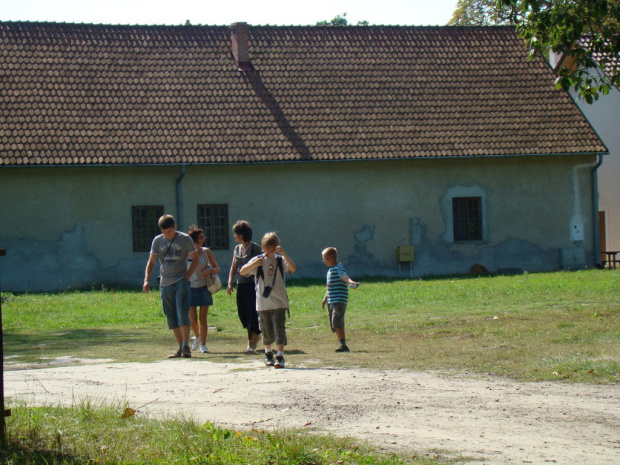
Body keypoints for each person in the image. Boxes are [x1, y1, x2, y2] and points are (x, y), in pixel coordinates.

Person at [143, 214, 199, 359]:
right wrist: (146, 279)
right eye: (164, 232)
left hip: (180, 280)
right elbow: (152, 261)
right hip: (165, 282)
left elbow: (196, 259)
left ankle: (186, 346)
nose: (167, 235)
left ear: (175, 227)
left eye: (169, 231)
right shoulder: (157, 240)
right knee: (171, 315)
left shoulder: (185, 239)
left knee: (182, 312)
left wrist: (187, 277)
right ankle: (180, 347)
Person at [240, 232, 296, 368]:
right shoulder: (258, 260)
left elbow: (293, 269)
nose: (269, 251)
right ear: (263, 247)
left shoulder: (279, 260)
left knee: (279, 329)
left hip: (279, 301)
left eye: (272, 248)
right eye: (267, 248)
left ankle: (280, 356)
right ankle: (268, 353)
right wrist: (253, 264)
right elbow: (242, 272)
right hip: (263, 302)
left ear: (276, 246)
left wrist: (284, 254)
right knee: (266, 330)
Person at [226, 220, 263, 353]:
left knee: (251, 313)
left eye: (235, 234)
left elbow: (261, 266)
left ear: (241, 234)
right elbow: (234, 266)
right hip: (241, 284)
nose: (234, 236)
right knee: (242, 312)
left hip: (252, 285)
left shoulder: (255, 248)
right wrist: (230, 282)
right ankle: (255, 335)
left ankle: (251, 342)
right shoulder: (237, 249)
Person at [187, 225, 220, 354]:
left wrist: (209, 271)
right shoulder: (187, 252)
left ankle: (204, 345)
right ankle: (197, 336)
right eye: (200, 237)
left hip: (204, 287)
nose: (203, 239)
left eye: (203, 237)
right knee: (193, 319)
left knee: (203, 318)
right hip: (190, 287)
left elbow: (217, 268)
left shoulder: (206, 251)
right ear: (194, 239)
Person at [321, 247, 359, 353]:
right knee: (333, 323)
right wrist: (325, 299)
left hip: (339, 300)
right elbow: (330, 287)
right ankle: (341, 343)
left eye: (323, 258)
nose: (323, 260)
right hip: (331, 301)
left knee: (337, 321)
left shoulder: (339, 268)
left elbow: (344, 277)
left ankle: (343, 345)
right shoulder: (329, 271)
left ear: (328, 259)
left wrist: (351, 282)